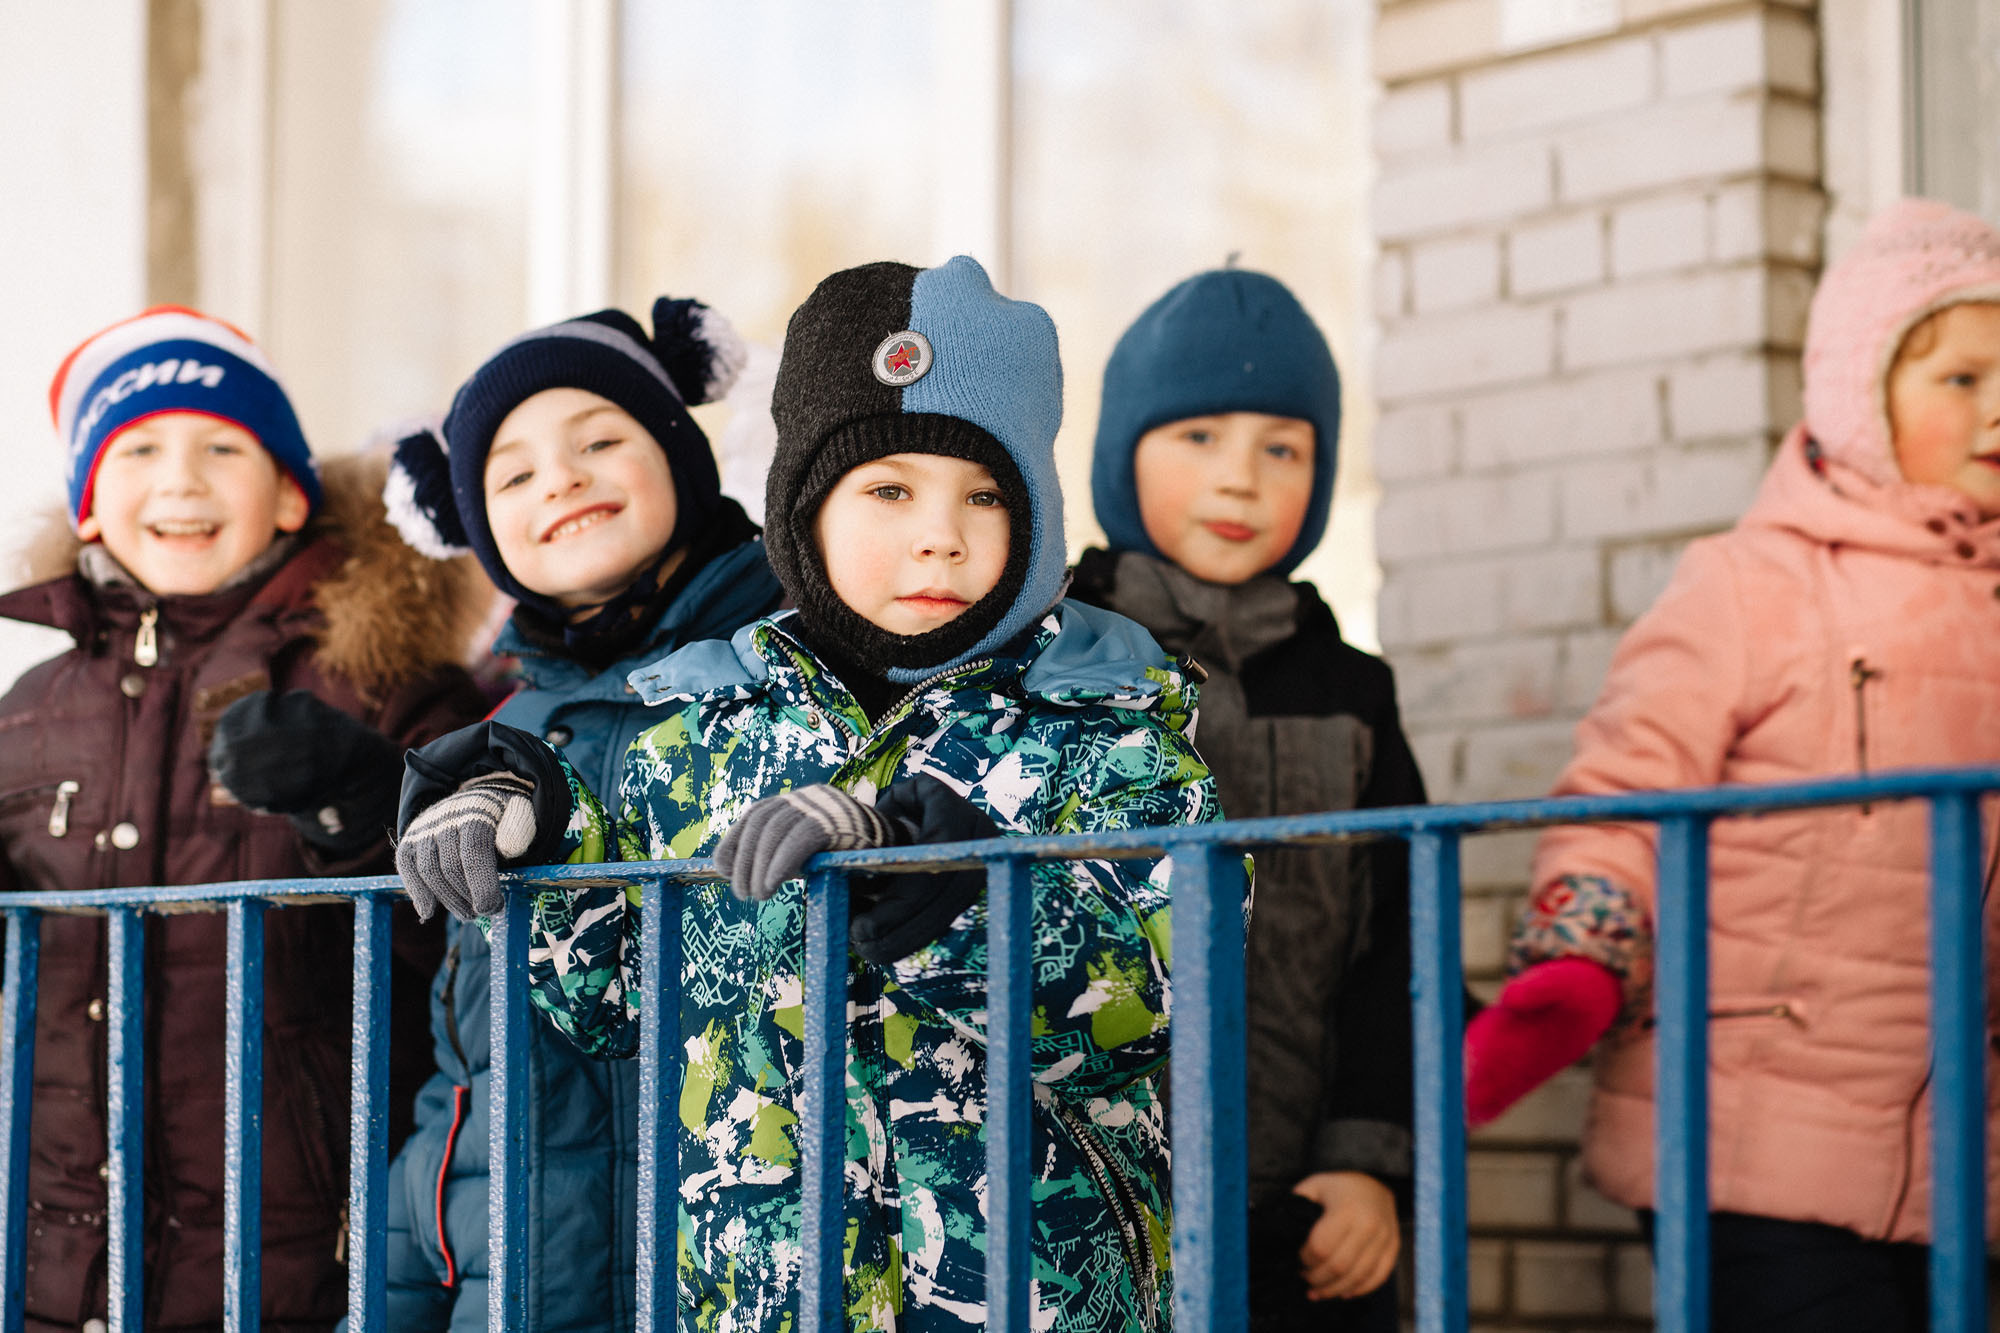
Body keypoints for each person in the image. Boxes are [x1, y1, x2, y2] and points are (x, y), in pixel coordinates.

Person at [391, 256, 1224, 1332]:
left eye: (983, 493)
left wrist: (954, 894)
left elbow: (1160, 1001)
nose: (941, 533)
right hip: (759, 1299)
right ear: (803, 511)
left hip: (1035, 1298)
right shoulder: (697, 735)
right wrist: (539, 830)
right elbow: (616, 1002)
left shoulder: (1107, 728)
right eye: (889, 490)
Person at [1463, 198, 2000, 1333]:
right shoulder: (1754, 585)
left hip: (1964, 1150)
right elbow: (1628, 790)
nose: (1995, 406)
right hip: (1747, 1131)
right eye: (1960, 377)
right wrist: (1580, 954)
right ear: (1861, 398)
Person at [0, 305, 487, 1331]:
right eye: (138, 450)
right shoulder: (29, 712)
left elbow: (466, 939)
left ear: (289, 494)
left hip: (297, 1260)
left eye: (223, 447)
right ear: (88, 505)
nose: (181, 479)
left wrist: (366, 805)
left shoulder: (378, 680)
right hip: (57, 1265)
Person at [366, 296, 784, 1331]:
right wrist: (396, 1287)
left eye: (600, 440)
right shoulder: (494, 734)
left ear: (682, 458)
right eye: (512, 475)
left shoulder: (788, 675)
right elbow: (461, 1068)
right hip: (511, 1281)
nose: (560, 477)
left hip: (723, 1278)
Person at [1069, 267, 1418, 1331]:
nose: (1240, 480)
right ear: (1121, 455)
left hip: (1302, 1212)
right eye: (1199, 437)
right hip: (1086, 1207)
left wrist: (1365, 1163)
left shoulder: (1352, 690)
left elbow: (1398, 946)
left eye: (1282, 449)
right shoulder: (1052, 660)